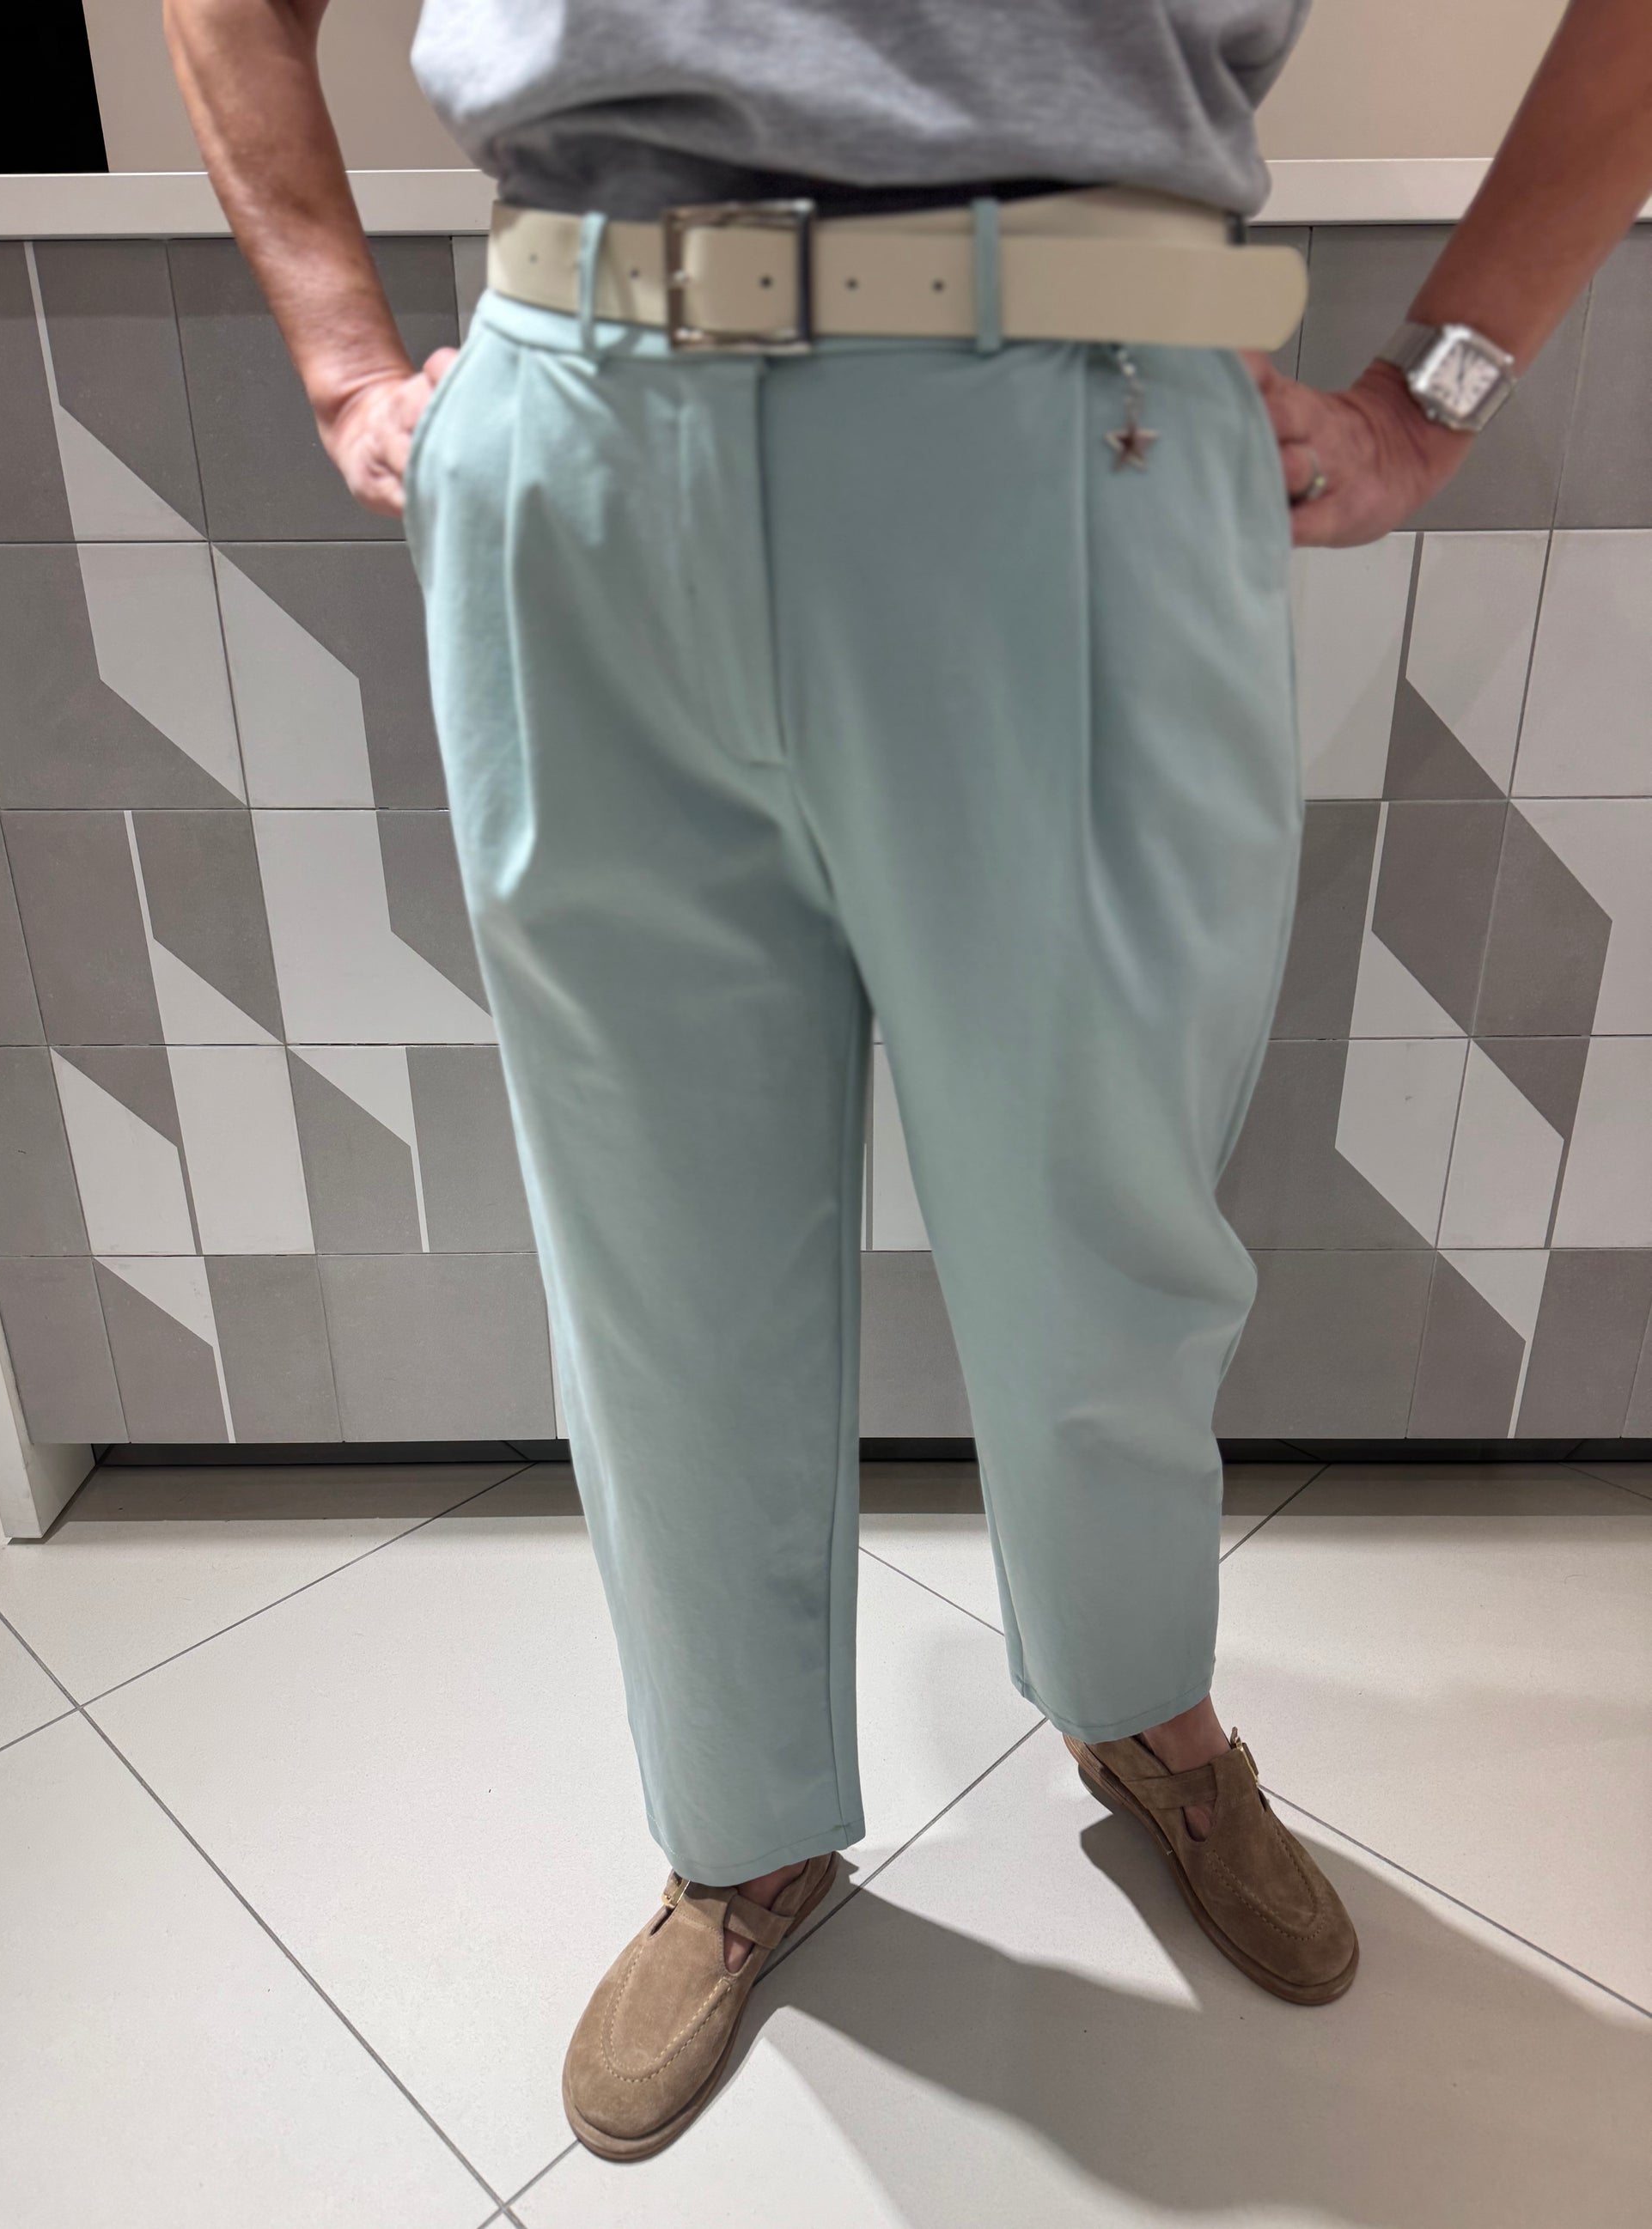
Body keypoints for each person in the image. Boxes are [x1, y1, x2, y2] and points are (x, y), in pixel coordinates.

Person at [168, 0, 1652, 2163]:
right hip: (587, 420)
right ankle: (736, 1819)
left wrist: (1434, 388)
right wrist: (334, 356)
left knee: (1103, 1216)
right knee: (653, 1236)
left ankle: (1144, 1708)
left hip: (1080, 418)